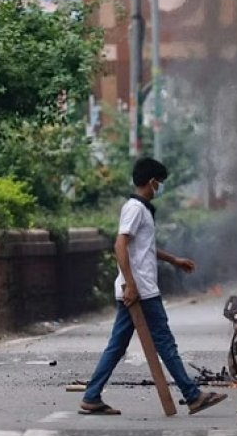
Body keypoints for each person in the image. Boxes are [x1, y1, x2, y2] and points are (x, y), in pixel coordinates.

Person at [80, 158, 227, 416]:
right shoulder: (135, 208)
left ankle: (91, 396)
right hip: (142, 292)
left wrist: (174, 260)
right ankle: (193, 396)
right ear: (151, 182)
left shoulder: (139, 209)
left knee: (117, 346)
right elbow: (120, 245)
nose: (159, 188)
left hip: (138, 290)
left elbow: (143, 248)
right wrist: (131, 284)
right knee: (165, 343)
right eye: (159, 183)